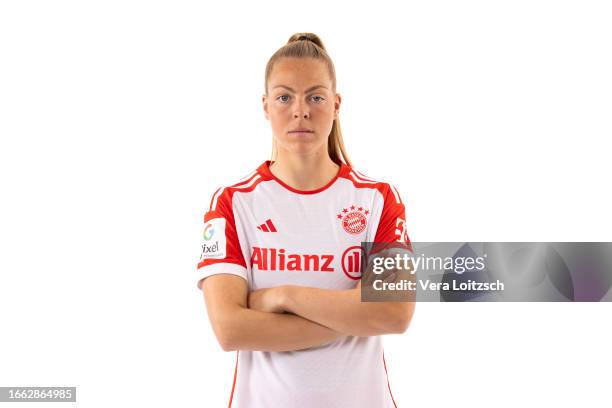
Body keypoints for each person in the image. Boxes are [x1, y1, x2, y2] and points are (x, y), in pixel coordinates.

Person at [196, 32, 414, 408]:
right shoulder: (233, 203)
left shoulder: (378, 199)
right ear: (265, 106)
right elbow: (230, 329)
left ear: (336, 104)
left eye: (315, 96)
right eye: (284, 97)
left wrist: (283, 296)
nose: (300, 110)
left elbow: (393, 313)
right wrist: (351, 318)